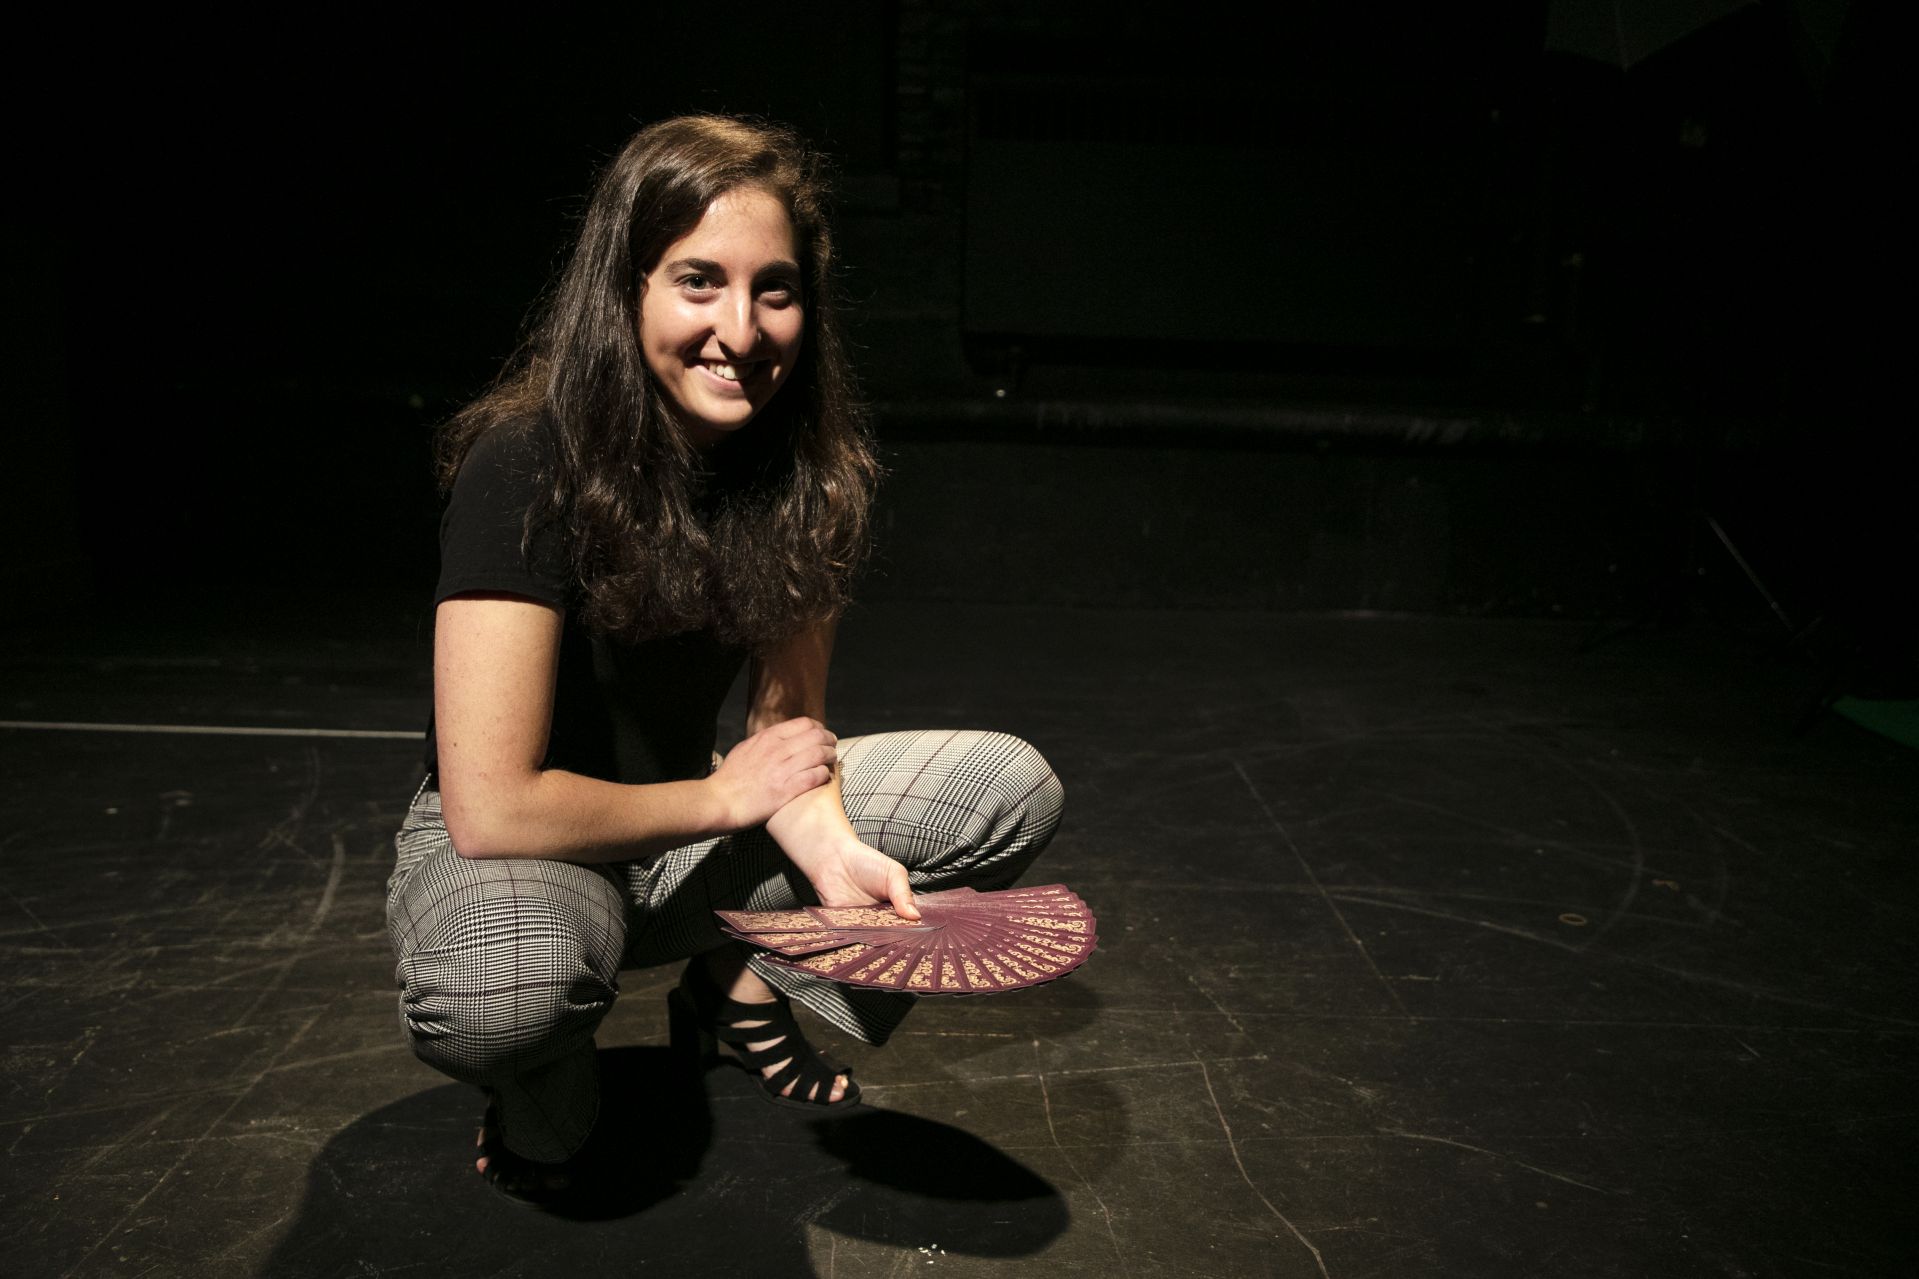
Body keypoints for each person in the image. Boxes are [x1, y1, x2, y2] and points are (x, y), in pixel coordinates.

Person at [384, 115, 1064, 1205]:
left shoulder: (806, 474)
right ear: (627, 288)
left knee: (1001, 789)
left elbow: (781, 740)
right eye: (697, 281)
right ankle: (540, 1088)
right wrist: (719, 798)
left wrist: (831, 858)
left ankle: (733, 990)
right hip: (531, 848)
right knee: (499, 1004)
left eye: (775, 289)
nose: (740, 330)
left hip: (689, 823)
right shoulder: (526, 462)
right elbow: (491, 809)